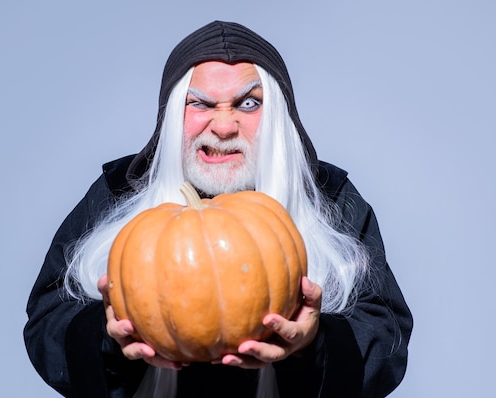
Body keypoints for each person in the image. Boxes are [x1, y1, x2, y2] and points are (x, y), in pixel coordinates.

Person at [24, 21, 412, 398]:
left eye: (248, 103)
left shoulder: (332, 197)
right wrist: (108, 339)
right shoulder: (118, 191)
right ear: (174, 113)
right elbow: (47, 321)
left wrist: (313, 347)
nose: (224, 126)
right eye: (200, 103)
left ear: (277, 115)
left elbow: (387, 339)